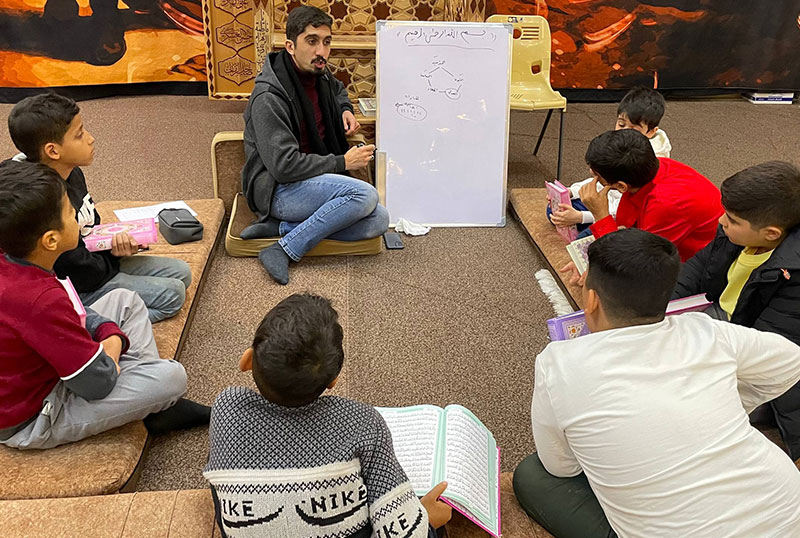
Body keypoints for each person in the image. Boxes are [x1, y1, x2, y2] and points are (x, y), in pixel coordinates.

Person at [513, 228, 800, 538]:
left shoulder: (558, 363)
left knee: (532, 474)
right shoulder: (706, 330)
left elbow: (561, 467)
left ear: (592, 300)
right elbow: (790, 361)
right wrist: (733, 402)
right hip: (786, 508)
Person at [0, 160, 210, 449]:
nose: (77, 216)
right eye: (70, 213)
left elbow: (74, 310)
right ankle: (157, 406)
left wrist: (106, 331)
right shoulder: (39, 299)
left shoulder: (16, 261)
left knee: (126, 300)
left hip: (50, 368)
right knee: (172, 378)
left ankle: (154, 407)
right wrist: (113, 343)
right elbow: (97, 384)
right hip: (36, 417)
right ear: (51, 240)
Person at [204, 293, 451, 537]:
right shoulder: (362, 421)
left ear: (247, 360)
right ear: (333, 381)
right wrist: (427, 522)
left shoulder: (227, 407)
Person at [7, 93, 192, 323]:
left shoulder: (71, 170)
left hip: (96, 262)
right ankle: (87, 323)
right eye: (79, 135)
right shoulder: (43, 199)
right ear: (53, 151)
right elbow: (75, 268)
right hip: (81, 282)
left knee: (182, 272)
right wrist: (111, 260)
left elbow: (91, 227)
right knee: (173, 295)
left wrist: (113, 246)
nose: (91, 139)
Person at [239, 5, 389, 285]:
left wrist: (344, 108)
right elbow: (283, 167)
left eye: (326, 42)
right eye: (311, 41)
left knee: (379, 220)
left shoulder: (319, 74)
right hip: (278, 189)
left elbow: (338, 89)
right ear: (290, 46)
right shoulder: (268, 97)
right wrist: (343, 162)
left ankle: (283, 228)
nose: (321, 51)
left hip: (313, 180)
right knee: (364, 196)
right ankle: (284, 249)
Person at [672, 161, 800, 459]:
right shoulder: (736, 233)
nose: (720, 221)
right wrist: (660, 310)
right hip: (721, 317)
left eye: (731, 219)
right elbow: (696, 269)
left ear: (771, 233)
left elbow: (763, 349)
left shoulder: (793, 275)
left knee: (694, 404)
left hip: (755, 345)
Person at [569, 129, 721, 263]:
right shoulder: (650, 166)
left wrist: (600, 215)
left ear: (621, 186)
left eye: (596, 175)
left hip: (696, 263)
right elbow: (626, 225)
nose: (591, 174)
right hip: (655, 236)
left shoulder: (665, 204)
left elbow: (635, 264)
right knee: (584, 243)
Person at [548, 87, 672, 234]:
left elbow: (626, 210)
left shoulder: (641, 162)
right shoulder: (619, 144)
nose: (624, 131)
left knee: (587, 235)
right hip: (607, 200)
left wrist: (580, 217)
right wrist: (571, 192)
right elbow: (600, 180)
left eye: (633, 129)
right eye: (621, 124)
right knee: (555, 209)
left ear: (651, 132)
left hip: (621, 214)